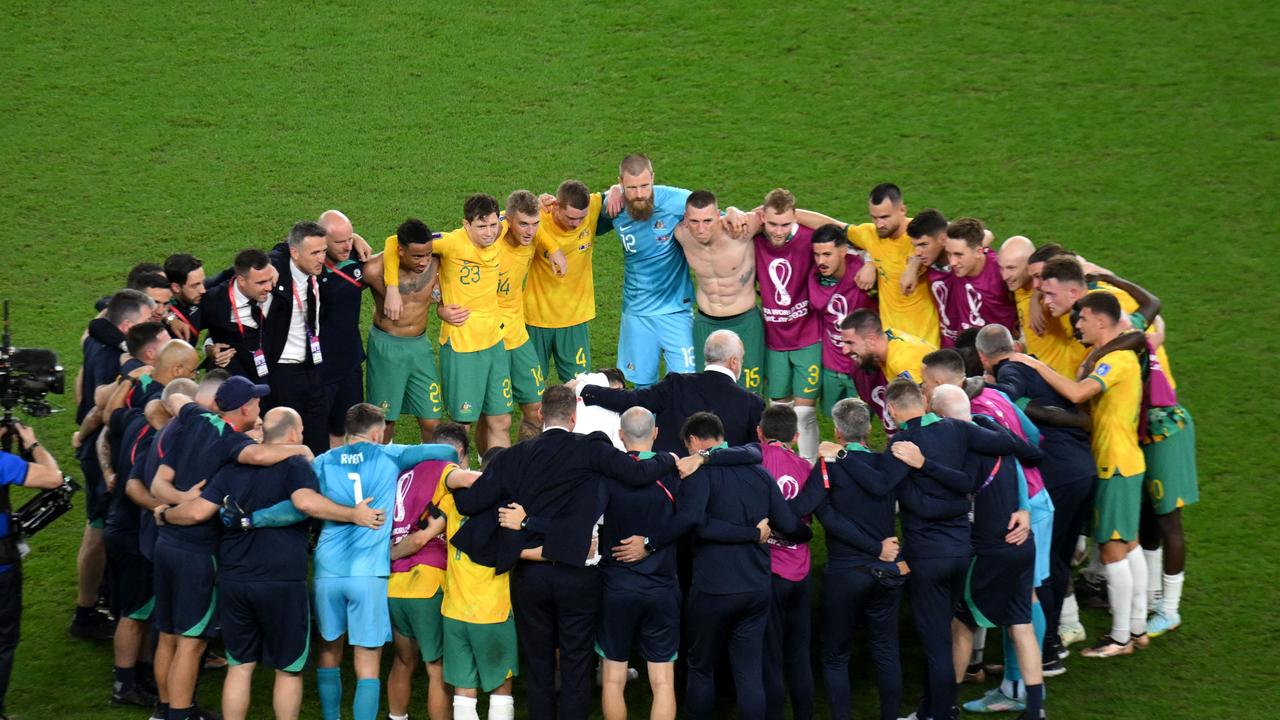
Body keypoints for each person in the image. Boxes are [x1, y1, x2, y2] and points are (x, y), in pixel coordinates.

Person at [448, 384, 677, 720]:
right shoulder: (593, 447)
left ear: (540, 414)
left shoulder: (514, 456)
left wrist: (449, 479)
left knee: (540, 667)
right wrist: (670, 458)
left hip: (531, 579)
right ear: (574, 417)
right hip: (578, 576)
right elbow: (638, 472)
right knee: (576, 665)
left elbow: (471, 502)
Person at [156, 407, 384, 720]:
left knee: (240, 667)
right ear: (292, 435)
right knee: (288, 671)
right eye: (301, 430)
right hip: (281, 582)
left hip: (235, 581)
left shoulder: (230, 469)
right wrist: (352, 514)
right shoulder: (296, 465)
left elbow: (196, 512)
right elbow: (304, 503)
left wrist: (165, 514)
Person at [149, 377, 314, 720]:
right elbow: (255, 456)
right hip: (196, 551)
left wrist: (168, 508)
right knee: (190, 643)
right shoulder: (232, 443)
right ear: (244, 409)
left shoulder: (195, 417)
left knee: (167, 633)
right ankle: (180, 713)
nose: (259, 407)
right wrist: (299, 449)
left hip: (165, 548)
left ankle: (162, 710)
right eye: (255, 402)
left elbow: (176, 398)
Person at [631, 412, 809, 720]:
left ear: (696, 442)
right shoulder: (759, 471)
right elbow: (787, 523)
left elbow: (698, 527)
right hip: (756, 587)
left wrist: (649, 543)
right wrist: (800, 533)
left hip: (713, 589)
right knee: (749, 672)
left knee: (701, 667)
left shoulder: (699, 474)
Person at [1011, 291, 1150, 658]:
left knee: (1113, 548)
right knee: (1129, 543)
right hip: (1125, 460)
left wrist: (1033, 363)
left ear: (1102, 321)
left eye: (1084, 318)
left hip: (1115, 463)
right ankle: (1137, 629)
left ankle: (1120, 638)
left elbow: (1076, 394)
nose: (1078, 324)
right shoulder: (1117, 356)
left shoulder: (1115, 362)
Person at [311, 403, 458, 720]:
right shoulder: (390, 454)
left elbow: (301, 502)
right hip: (368, 572)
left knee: (328, 653)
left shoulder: (322, 462)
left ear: (350, 431)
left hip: (327, 571)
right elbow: (445, 452)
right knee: (367, 662)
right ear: (378, 433)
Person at [880, 379, 1016, 720]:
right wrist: (978, 422)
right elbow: (1005, 443)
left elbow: (879, 487)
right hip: (959, 552)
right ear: (924, 401)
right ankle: (932, 709)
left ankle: (941, 714)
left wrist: (841, 455)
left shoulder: (901, 443)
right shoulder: (956, 429)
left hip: (927, 556)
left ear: (892, 410)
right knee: (945, 636)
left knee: (937, 644)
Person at [924, 385, 1046, 720]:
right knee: (1021, 626)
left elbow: (955, 492)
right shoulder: (993, 430)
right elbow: (1023, 465)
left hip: (989, 551)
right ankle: (1036, 710)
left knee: (962, 625)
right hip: (1022, 543)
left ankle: (944, 708)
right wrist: (1023, 508)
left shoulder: (961, 450)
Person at [978, 323, 1096, 667]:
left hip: (1058, 474)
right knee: (1057, 561)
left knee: (1040, 567)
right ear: (1013, 343)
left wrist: (985, 392)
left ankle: (1045, 651)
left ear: (984, 358)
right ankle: (1052, 643)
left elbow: (1008, 391)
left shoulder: (1011, 369)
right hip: (1082, 470)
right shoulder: (1033, 362)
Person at [806, 399, 906, 720]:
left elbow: (826, 518)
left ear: (836, 431)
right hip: (886, 571)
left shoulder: (828, 465)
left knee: (835, 656)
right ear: (869, 430)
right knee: (887, 650)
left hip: (846, 572)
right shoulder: (886, 465)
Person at [73, 287, 155, 641]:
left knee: (101, 527)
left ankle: (96, 604)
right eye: (149, 319)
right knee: (100, 530)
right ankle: (90, 609)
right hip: (105, 449)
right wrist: (84, 434)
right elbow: (99, 402)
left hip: (100, 445)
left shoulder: (94, 336)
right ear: (126, 326)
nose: (157, 323)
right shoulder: (120, 360)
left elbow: (81, 379)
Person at [386, 422, 471, 720]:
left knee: (402, 659)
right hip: (427, 581)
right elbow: (421, 537)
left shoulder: (400, 474)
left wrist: (387, 558)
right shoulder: (444, 473)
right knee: (437, 668)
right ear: (458, 453)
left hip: (394, 584)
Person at [577, 329, 765, 456]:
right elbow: (755, 454)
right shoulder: (752, 403)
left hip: (671, 485)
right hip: (723, 494)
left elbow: (630, 400)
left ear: (707, 357)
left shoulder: (676, 384)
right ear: (734, 362)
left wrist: (585, 389)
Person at [796, 183, 939, 346]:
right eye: (874, 217)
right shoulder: (871, 234)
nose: (879, 224)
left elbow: (945, 234)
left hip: (923, 340)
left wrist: (914, 264)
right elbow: (833, 225)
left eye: (885, 217)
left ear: (902, 210)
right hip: (891, 340)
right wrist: (788, 215)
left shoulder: (920, 236)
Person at [436, 446, 517, 720]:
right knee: (500, 687)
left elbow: (424, 531)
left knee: (463, 689)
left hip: (454, 612)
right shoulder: (509, 511)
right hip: (491, 613)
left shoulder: (451, 502)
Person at [429, 194, 514, 454]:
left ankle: (500, 479)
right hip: (462, 345)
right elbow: (401, 242)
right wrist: (437, 304)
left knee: (501, 419)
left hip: (495, 344)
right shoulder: (451, 243)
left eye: (492, 225)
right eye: (481, 227)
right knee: (460, 425)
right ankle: (455, 480)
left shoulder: (502, 227)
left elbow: (530, 211)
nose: (489, 233)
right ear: (466, 225)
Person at [603, 154, 697, 386]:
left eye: (645, 185)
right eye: (631, 188)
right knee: (643, 388)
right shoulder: (613, 206)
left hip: (676, 312)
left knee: (685, 385)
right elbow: (575, 216)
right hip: (636, 315)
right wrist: (611, 192)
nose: (639, 194)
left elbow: (716, 217)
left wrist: (734, 211)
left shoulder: (678, 201)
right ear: (621, 182)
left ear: (653, 178)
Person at [0, 422, 68, 719]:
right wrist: (32, 443)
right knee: (3, 641)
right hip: (1, 567)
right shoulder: (3, 463)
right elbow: (53, 478)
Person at [754, 405, 816, 720]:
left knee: (770, 656)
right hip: (800, 572)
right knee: (799, 655)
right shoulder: (806, 468)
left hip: (768, 572)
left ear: (759, 433)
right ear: (795, 436)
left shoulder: (754, 464)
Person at [674, 189, 764, 392]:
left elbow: (775, 212)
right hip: (706, 323)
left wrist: (735, 211)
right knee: (705, 392)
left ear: (718, 216)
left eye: (707, 221)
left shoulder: (741, 228)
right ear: (686, 219)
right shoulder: (681, 233)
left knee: (751, 391)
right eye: (694, 222)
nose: (701, 229)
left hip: (745, 323)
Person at [363, 219, 445, 443]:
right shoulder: (373, 270)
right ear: (399, 250)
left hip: (420, 347)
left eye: (428, 254)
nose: (424, 261)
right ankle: (384, 471)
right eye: (417, 256)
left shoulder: (437, 260)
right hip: (387, 348)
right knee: (385, 421)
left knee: (432, 420)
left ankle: (427, 472)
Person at [755, 189, 822, 460]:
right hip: (773, 340)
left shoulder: (808, 238)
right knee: (778, 410)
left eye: (785, 224)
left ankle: (808, 468)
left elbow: (841, 233)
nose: (779, 231)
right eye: (772, 224)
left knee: (804, 413)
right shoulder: (755, 239)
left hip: (807, 336)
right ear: (763, 218)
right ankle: (781, 464)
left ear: (795, 218)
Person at [259, 220, 332, 454]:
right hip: (283, 373)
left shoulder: (314, 273)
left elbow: (344, 241)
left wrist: (357, 238)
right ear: (295, 253)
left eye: (324, 251)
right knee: (285, 443)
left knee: (319, 441)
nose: (322, 258)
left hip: (313, 370)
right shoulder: (273, 278)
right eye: (315, 253)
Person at [526, 179, 606, 382]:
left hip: (574, 319)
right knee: (532, 390)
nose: (577, 224)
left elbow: (630, 190)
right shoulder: (536, 219)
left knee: (579, 387)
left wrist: (615, 191)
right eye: (571, 217)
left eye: (582, 218)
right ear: (555, 206)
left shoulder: (595, 207)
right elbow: (505, 219)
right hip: (536, 318)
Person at [806, 223, 883, 426]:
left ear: (843, 251)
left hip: (861, 366)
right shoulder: (814, 275)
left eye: (827, 254)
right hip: (831, 366)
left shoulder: (861, 272)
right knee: (836, 422)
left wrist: (870, 262)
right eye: (816, 255)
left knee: (860, 426)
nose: (820, 261)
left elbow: (883, 247)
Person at [317, 210, 371, 448]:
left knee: (350, 428)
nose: (347, 246)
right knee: (322, 431)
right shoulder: (309, 270)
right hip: (321, 368)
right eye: (340, 241)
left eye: (349, 239)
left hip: (350, 363)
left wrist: (355, 237)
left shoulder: (355, 263)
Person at [201, 248, 277, 381]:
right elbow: (201, 325)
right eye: (261, 283)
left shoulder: (278, 290)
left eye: (269, 279)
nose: (269, 287)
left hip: (280, 374)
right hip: (237, 377)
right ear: (241, 281)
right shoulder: (214, 301)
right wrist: (209, 348)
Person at [943, 218, 1017, 341]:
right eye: (949, 254)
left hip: (997, 350)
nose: (952, 262)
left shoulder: (1001, 272)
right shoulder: (959, 267)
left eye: (959, 255)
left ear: (979, 252)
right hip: (967, 348)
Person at [839, 308, 937, 384]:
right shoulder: (887, 339)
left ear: (871, 340)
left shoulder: (902, 360)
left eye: (850, 343)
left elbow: (922, 404)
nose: (845, 350)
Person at [162, 253, 207, 344]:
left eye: (202, 282)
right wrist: (171, 319)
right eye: (195, 285)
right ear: (176, 287)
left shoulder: (195, 297)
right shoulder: (160, 309)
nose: (203, 290)